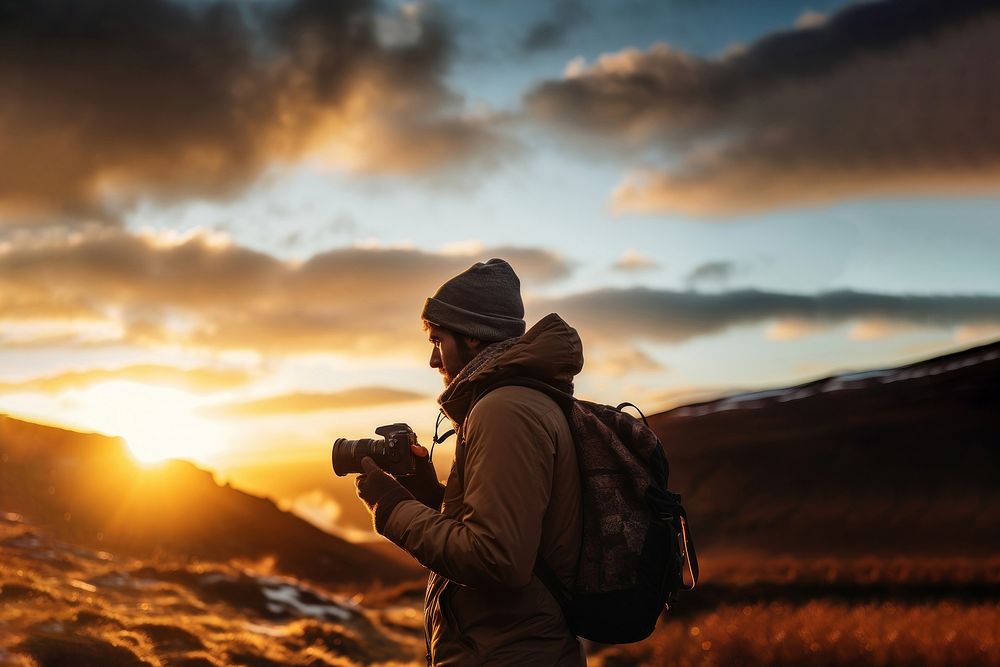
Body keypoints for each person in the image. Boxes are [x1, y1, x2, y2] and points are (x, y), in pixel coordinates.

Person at [354, 258, 586, 666]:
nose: (433, 360)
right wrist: (429, 496)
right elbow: (511, 530)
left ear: (475, 338)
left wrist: (390, 507)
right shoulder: (514, 402)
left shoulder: (505, 410)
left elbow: (497, 559)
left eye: (438, 341)